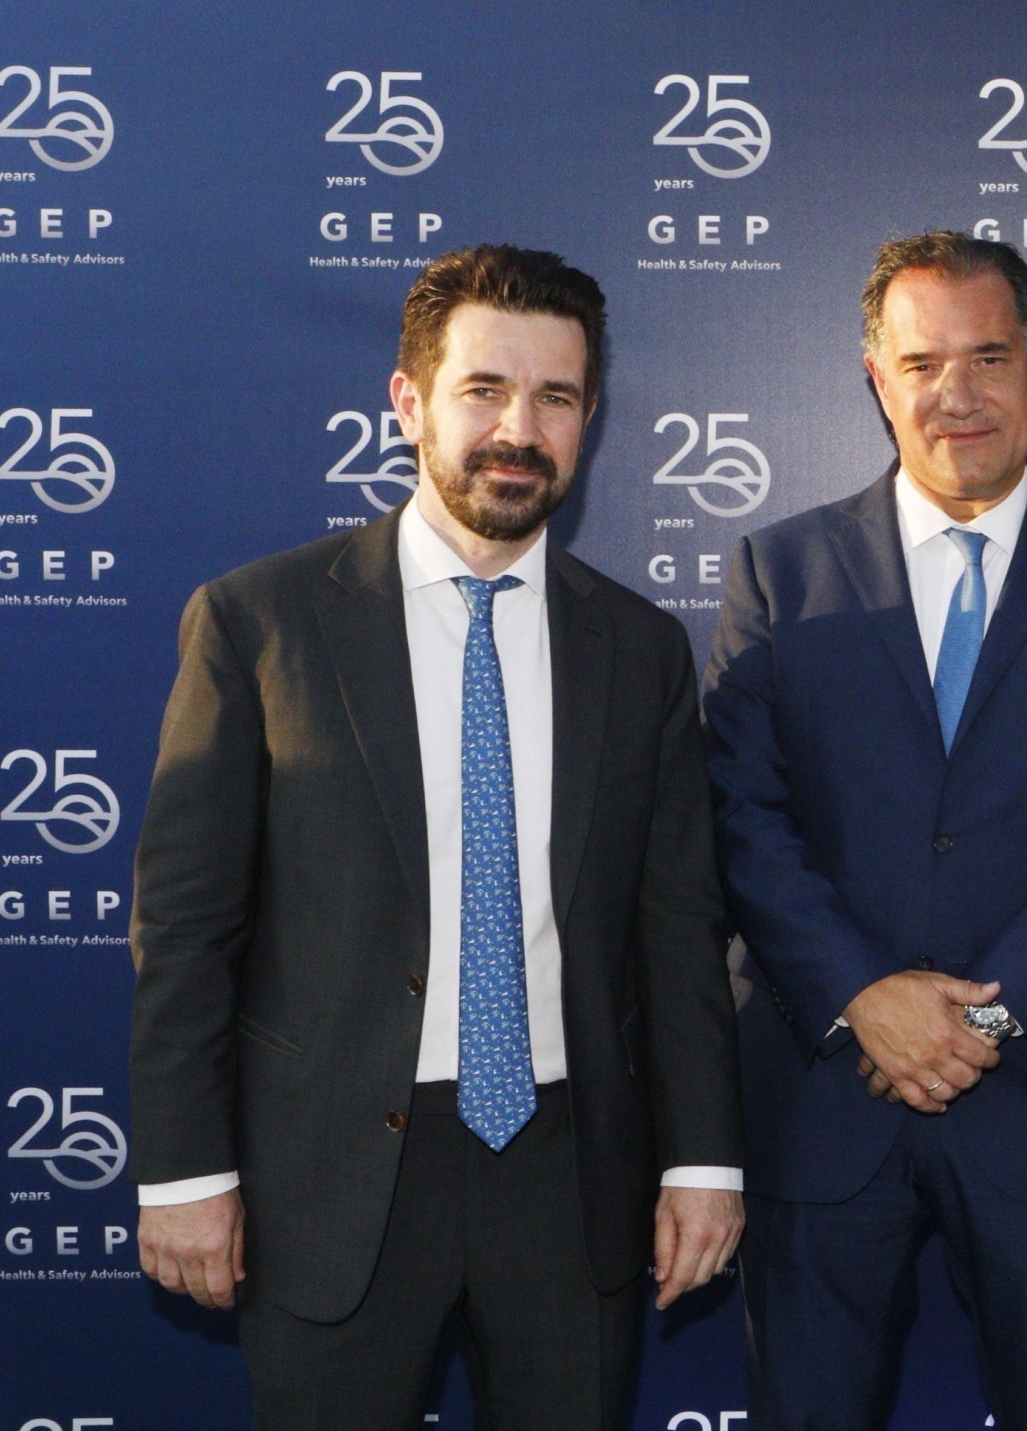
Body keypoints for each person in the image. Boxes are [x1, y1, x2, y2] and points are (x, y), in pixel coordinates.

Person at [127, 244, 747, 1431]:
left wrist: (703, 1160)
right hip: (331, 1178)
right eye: (484, 389)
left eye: (555, 396)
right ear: (408, 402)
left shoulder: (640, 649)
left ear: (589, 419)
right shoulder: (259, 623)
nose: (520, 429)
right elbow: (187, 930)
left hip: (572, 1172)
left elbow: (678, 928)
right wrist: (186, 1169)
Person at [703, 231, 1027, 1431]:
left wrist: (981, 1016)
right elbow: (740, 815)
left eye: (987, 357)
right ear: (877, 378)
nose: (957, 393)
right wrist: (862, 992)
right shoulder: (779, 572)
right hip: (824, 1097)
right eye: (922, 362)